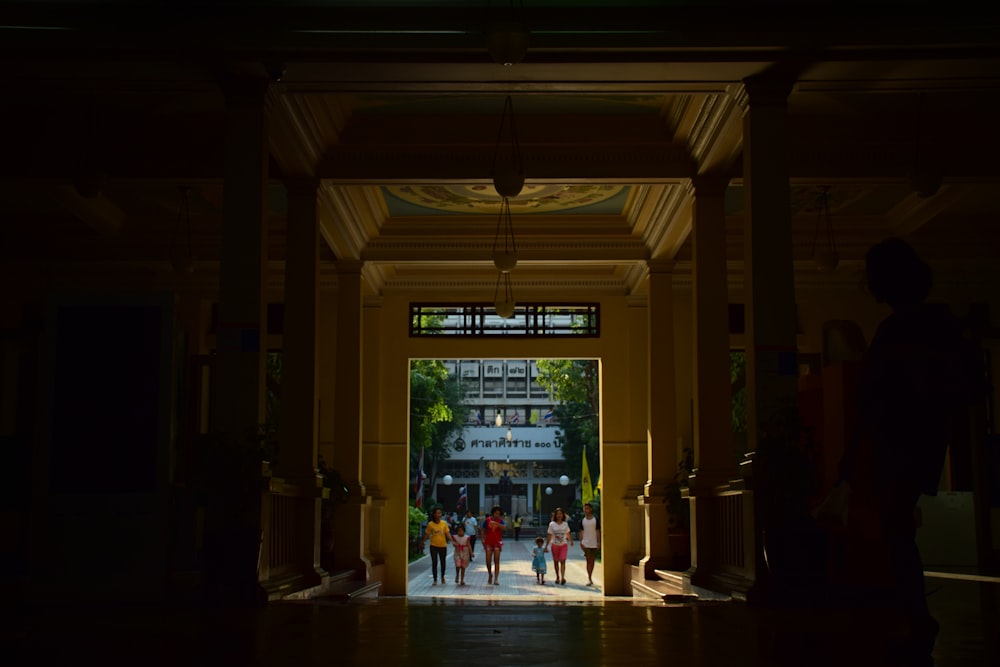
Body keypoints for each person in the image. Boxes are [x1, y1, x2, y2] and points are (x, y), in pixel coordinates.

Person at [815, 237, 988, 664]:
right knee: (897, 528)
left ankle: (917, 618)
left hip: (900, 443)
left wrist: (849, 464)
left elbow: (872, 402)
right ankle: (915, 618)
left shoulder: (897, 332)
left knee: (896, 530)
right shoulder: (939, 325)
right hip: (925, 441)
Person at [419, 507, 450, 585]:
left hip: (443, 545)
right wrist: (422, 542)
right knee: (434, 562)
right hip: (433, 546)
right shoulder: (430, 524)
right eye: (437, 513)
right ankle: (435, 579)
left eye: (440, 513)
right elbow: (426, 534)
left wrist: (453, 541)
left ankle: (442, 576)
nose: (439, 514)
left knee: (443, 562)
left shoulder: (444, 523)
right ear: (434, 514)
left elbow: (447, 533)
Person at [545, 507, 573, 585]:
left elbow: (568, 533)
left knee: (563, 561)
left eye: (560, 514)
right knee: (556, 562)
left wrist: (571, 541)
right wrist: (546, 546)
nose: (559, 515)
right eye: (558, 514)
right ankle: (557, 576)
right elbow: (549, 535)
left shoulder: (565, 524)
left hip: (563, 545)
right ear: (555, 515)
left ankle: (563, 577)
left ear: (563, 515)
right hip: (555, 545)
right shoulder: (552, 524)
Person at [481, 505, 506, 585]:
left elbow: (505, 528)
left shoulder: (500, 520)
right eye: (496, 513)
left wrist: (497, 524)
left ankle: (496, 578)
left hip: (497, 542)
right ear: (493, 513)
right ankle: (489, 574)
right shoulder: (487, 520)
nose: (497, 515)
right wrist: (483, 538)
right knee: (488, 560)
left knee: (496, 560)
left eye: (498, 513)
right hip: (488, 542)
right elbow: (483, 529)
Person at [579, 502, 600, 586]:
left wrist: (599, 542)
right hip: (586, 543)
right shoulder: (582, 521)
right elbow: (581, 532)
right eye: (584, 508)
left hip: (594, 542)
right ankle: (589, 577)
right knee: (588, 560)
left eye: (587, 508)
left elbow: (598, 531)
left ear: (590, 509)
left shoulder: (595, 520)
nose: (586, 510)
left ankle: (591, 574)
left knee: (592, 560)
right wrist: (581, 542)